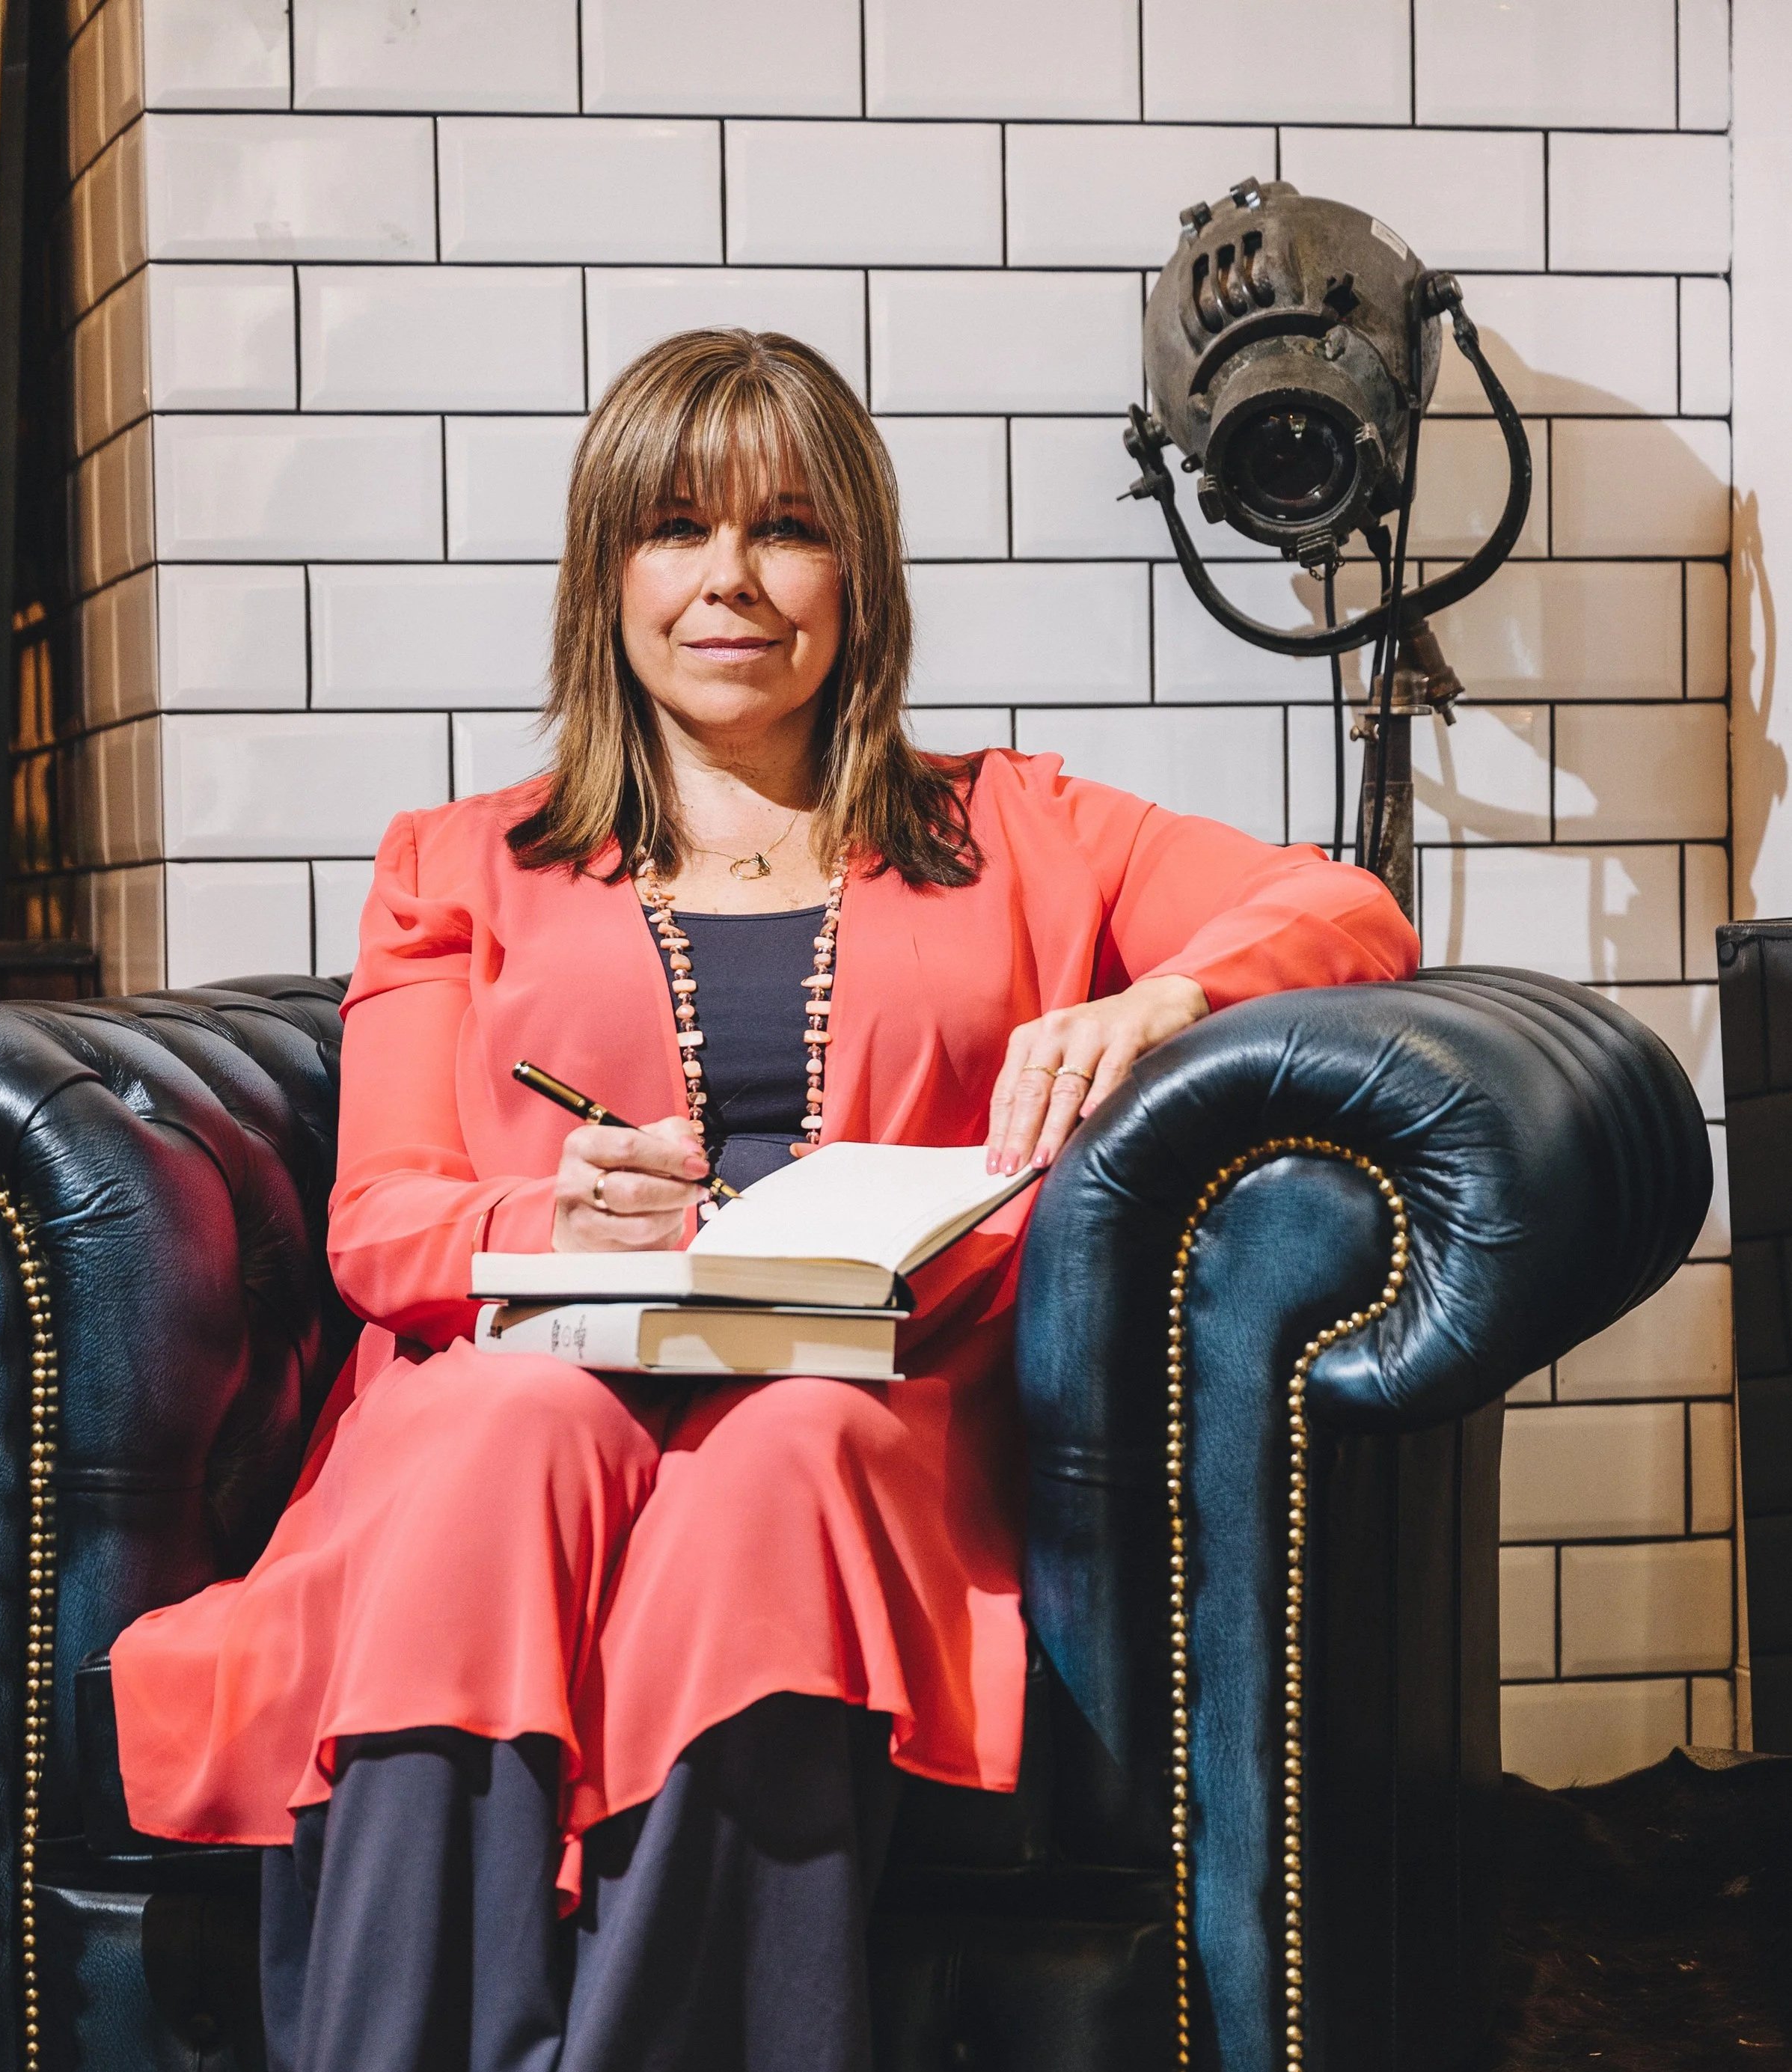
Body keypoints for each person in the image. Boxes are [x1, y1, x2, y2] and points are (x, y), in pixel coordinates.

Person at [108, 328, 1419, 2072]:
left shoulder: (1019, 825)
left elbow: (1344, 905)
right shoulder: (458, 863)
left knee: (780, 1467)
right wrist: (540, 1221)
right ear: (608, 574)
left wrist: (1157, 996)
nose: (729, 579)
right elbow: (382, 1220)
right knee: (508, 1442)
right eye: (673, 529)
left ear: (855, 572)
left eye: (784, 527)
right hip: (523, 1378)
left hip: (855, 1396)